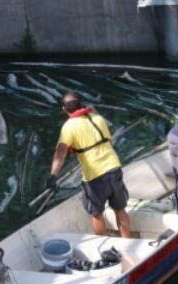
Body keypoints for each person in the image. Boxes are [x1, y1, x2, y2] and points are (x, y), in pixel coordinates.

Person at [47, 92, 131, 238]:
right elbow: (108, 141)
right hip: (114, 166)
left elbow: (60, 154)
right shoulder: (98, 119)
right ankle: (127, 240)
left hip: (94, 175)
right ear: (81, 104)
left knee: (97, 213)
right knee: (120, 209)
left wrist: (53, 176)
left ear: (64, 110)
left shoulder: (68, 127)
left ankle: (105, 248)